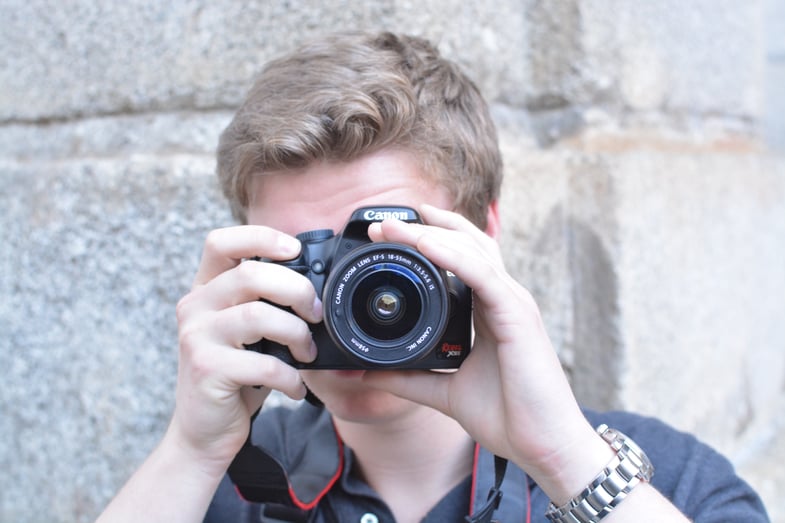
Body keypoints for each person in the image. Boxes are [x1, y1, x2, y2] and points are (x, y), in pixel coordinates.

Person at [97, 31, 769, 523]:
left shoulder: (663, 479)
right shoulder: (214, 487)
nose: (345, 298)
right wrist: (190, 451)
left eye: (384, 249)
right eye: (307, 256)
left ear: (486, 233)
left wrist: (564, 459)